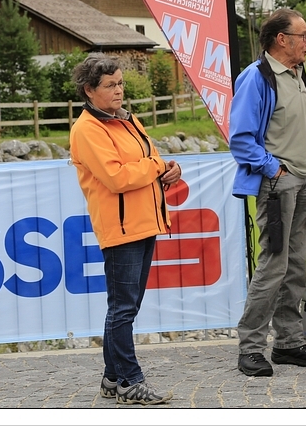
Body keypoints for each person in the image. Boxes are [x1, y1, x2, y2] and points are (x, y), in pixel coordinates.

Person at [69, 53, 181, 405]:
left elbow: (149, 160)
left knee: (125, 308)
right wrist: (156, 165)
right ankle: (130, 381)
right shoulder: (87, 129)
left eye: (120, 84)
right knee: (122, 309)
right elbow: (116, 177)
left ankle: (112, 379)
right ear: (89, 90)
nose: (118, 91)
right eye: (110, 85)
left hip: (143, 222)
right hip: (120, 228)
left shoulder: (126, 119)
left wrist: (168, 169)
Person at [230, 8, 306, 377]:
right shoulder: (256, 78)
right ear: (281, 40)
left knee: (296, 264)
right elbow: (240, 139)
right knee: (273, 264)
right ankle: (251, 348)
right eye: (302, 36)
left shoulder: (297, 73)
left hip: (304, 179)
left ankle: (287, 342)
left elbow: (301, 125)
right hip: (277, 184)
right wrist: (273, 168)